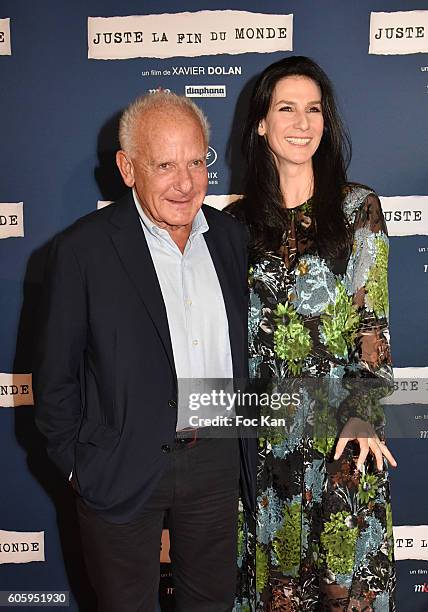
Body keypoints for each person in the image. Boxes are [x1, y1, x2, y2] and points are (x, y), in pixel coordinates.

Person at [34, 92, 251, 612]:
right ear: (128, 168)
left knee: (212, 604)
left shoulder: (228, 236)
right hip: (120, 464)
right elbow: (54, 379)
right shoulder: (81, 251)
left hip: (217, 459)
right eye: (165, 165)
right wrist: (78, 468)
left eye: (197, 162)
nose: (185, 182)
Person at [229, 57, 397, 611]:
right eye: (286, 108)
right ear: (260, 124)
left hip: (341, 442)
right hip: (263, 450)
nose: (302, 122)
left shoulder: (357, 209)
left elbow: (374, 329)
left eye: (314, 109)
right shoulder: (233, 225)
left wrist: (362, 412)